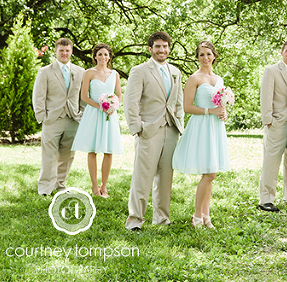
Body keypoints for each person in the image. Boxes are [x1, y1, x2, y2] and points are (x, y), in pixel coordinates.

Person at [124, 31, 184, 231]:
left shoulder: (175, 72)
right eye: (158, 46)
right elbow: (130, 102)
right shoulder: (139, 71)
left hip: (171, 130)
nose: (162, 50)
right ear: (150, 49)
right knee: (143, 177)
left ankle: (162, 218)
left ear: (169, 48)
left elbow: (178, 102)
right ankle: (135, 220)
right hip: (148, 130)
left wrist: (179, 125)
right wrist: (137, 128)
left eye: (165, 46)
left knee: (166, 177)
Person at [172, 41, 229, 228]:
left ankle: (206, 216)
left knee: (211, 172)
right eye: (201, 55)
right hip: (202, 126)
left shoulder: (219, 79)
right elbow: (187, 107)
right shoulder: (194, 78)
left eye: (208, 54)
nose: (205, 58)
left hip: (215, 126)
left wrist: (223, 112)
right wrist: (209, 111)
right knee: (209, 173)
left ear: (214, 56)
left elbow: (220, 104)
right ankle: (197, 216)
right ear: (197, 57)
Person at [32, 38, 85, 196]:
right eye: (61, 50)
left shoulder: (80, 71)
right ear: (55, 51)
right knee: (49, 155)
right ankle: (45, 189)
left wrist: (81, 114)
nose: (64, 53)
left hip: (73, 119)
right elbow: (39, 96)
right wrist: (42, 116)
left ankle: (60, 185)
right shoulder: (45, 71)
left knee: (68, 155)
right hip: (52, 119)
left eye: (67, 50)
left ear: (71, 52)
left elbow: (83, 96)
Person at [71, 43, 124, 198]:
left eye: (106, 54)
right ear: (95, 56)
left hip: (109, 115)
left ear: (109, 57)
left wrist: (113, 105)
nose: (103, 57)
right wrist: (100, 106)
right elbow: (84, 96)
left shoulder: (115, 74)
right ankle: (94, 186)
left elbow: (119, 95)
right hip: (94, 113)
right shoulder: (89, 73)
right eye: (100, 54)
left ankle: (104, 186)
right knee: (92, 150)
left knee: (108, 151)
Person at [257, 41, 287, 212]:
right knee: (271, 161)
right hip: (277, 121)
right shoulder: (272, 71)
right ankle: (266, 199)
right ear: (282, 53)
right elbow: (266, 96)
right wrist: (268, 120)